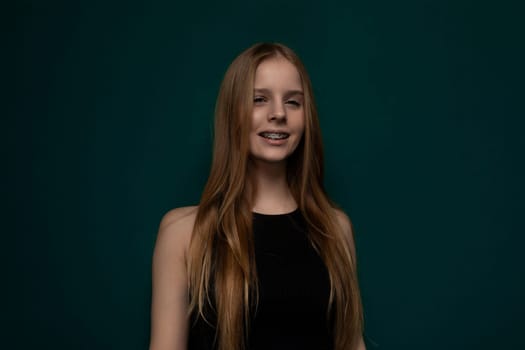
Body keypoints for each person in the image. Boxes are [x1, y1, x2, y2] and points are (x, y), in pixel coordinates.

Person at [149, 42, 366, 350]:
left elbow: (351, 343)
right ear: (232, 112)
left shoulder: (335, 229)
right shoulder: (183, 232)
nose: (278, 113)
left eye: (293, 102)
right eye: (259, 99)